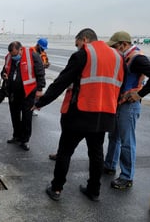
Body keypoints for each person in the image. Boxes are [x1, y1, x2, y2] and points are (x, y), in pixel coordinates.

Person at [33, 28, 125, 202]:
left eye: (78, 44)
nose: (77, 48)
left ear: (85, 39)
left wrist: (40, 103)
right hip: (105, 115)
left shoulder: (84, 55)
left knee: (65, 152)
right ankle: (94, 190)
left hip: (80, 114)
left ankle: (57, 188)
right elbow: (121, 84)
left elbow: (61, 81)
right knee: (96, 154)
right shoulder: (118, 57)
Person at [104, 31, 150, 189]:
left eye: (116, 47)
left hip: (129, 106)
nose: (114, 50)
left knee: (127, 142)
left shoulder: (137, 58)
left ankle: (126, 177)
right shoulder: (126, 57)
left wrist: (139, 94)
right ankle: (109, 165)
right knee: (114, 137)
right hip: (120, 103)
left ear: (123, 44)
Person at [1, 41, 45, 151]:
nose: (13, 57)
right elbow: (4, 70)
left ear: (20, 50)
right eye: (12, 55)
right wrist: (3, 75)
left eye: (15, 55)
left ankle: (25, 140)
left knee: (26, 117)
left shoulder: (33, 56)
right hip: (13, 93)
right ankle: (16, 136)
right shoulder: (9, 57)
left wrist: (40, 89)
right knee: (14, 116)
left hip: (28, 93)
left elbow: (40, 72)